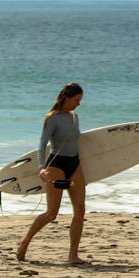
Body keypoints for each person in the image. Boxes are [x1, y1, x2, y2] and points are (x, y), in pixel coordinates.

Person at [17, 82, 87, 264]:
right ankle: (25, 241)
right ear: (66, 97)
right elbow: (41, 146)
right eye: (76, 100)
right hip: (56, 165)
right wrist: (41, 168)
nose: (78, 103)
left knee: (80, 211)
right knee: (51, 214)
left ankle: (73, 255)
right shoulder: (52, 118)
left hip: (75, 164)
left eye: (80, 100)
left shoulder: (74, 117)